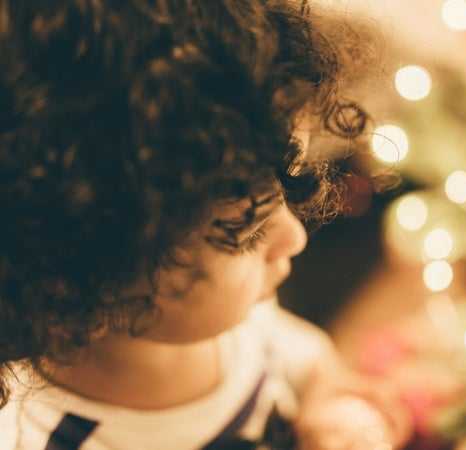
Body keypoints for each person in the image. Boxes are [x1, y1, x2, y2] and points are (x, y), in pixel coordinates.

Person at [0, 0, 413, 449]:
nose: (293, 238)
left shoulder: (239, 318)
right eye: (247, 231)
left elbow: (305, 358)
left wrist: (330, 403)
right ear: (95, 275)